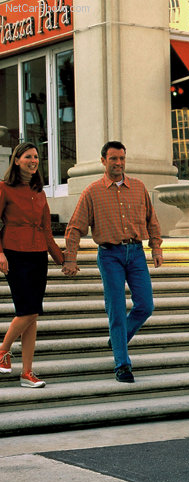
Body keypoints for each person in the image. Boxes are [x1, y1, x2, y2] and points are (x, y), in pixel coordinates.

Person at [62, 141, 163, 383]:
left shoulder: (139, 188)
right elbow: (75, 227)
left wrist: (156, 247)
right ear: (103, 161)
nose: (118, 163)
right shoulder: (92, 192)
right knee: (116, 310)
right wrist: (70, 258)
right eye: (113, 159)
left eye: (121, 159)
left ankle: (118, 338)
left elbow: (152, 220)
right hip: (109, 256)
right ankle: (123, 365)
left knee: (145, 306)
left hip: (136, 253)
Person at [0, 142, 65, 388]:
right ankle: (3, 349)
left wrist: (62, 259)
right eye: (28, 156)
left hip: (38, 254)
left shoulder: (39, 192)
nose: (33, 160)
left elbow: (48, 230)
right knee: (27, 310)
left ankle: (27, 372)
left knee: (33, 313)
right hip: (14, 253)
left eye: (36, 156)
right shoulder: (4, 188)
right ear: (16, 160)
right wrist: (0, 253)